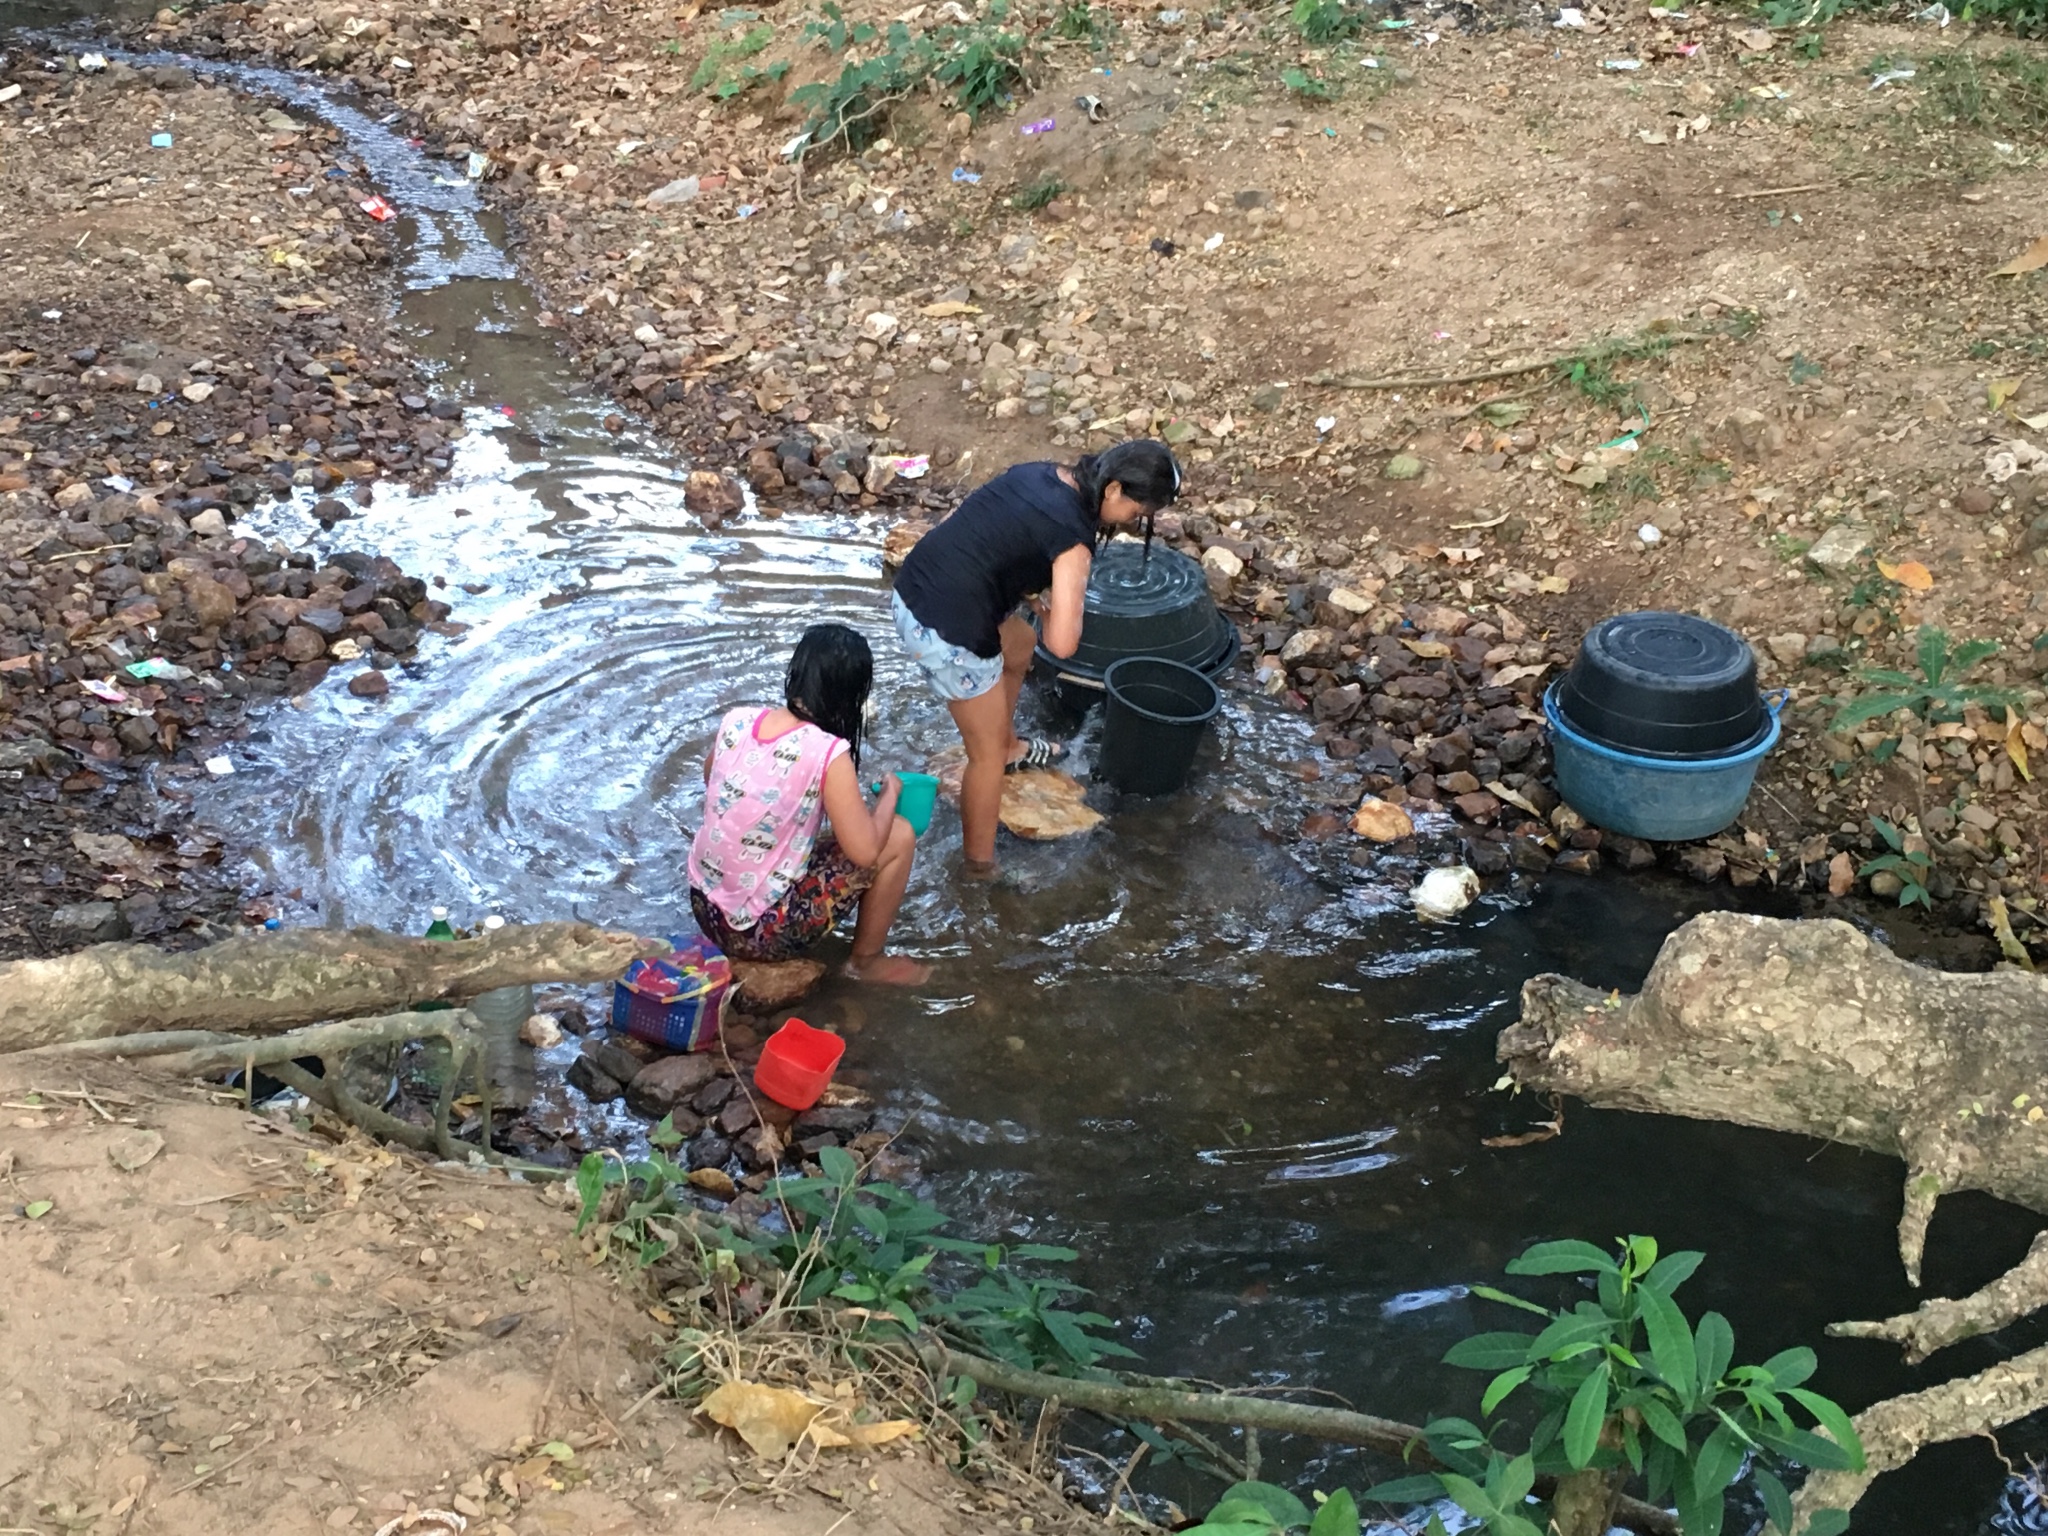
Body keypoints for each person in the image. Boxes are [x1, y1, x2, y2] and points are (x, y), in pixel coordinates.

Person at [891, 439, 1183, 877]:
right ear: (1114, 489)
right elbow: (1064, 645)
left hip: (913, 585)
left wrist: (1032, 599)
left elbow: (971, 529)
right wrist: (1061, 611)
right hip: (942, 628)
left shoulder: (1041, 474)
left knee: (1021, 643)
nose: (1129, 526)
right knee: (983, 759)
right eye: (1136, 514)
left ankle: (1010, 746)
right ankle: (978, 866)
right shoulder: (1073, 540)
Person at [687, 623, 929, 984]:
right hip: (756, 933)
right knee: (899, 835)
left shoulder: (738, 720)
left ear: (796, 674)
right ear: (852, 695)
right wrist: (890, 795)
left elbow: (715, 783)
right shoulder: (828, 752)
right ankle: (866, 961)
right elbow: (864, 852)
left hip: (704, 908)